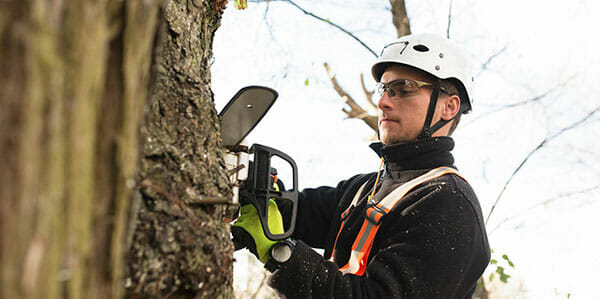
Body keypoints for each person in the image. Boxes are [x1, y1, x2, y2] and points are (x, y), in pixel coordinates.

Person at [232, 33, 491, 299]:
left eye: (404, 89)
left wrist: (281, 254)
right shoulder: (364, 188)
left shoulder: (449, 204)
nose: (383, 102)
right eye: (385, 89)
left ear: (449, 106)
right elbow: (298, 212)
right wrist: (257, 188)